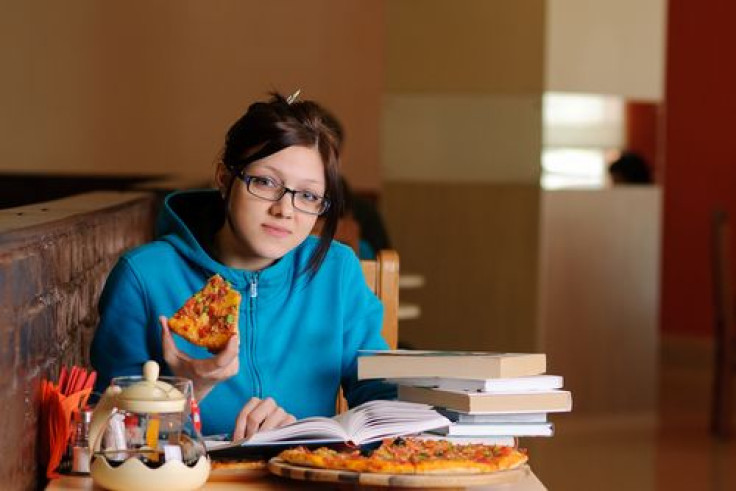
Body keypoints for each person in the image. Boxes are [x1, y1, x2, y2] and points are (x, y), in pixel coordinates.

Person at [90, 92, 396, 440]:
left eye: (308, 196)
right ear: (224, 178)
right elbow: (108, 437)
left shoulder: (337, 270)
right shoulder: (143, 277)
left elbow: (380, 396)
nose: (285, 210)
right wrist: (191, 391)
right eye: (265, 182)